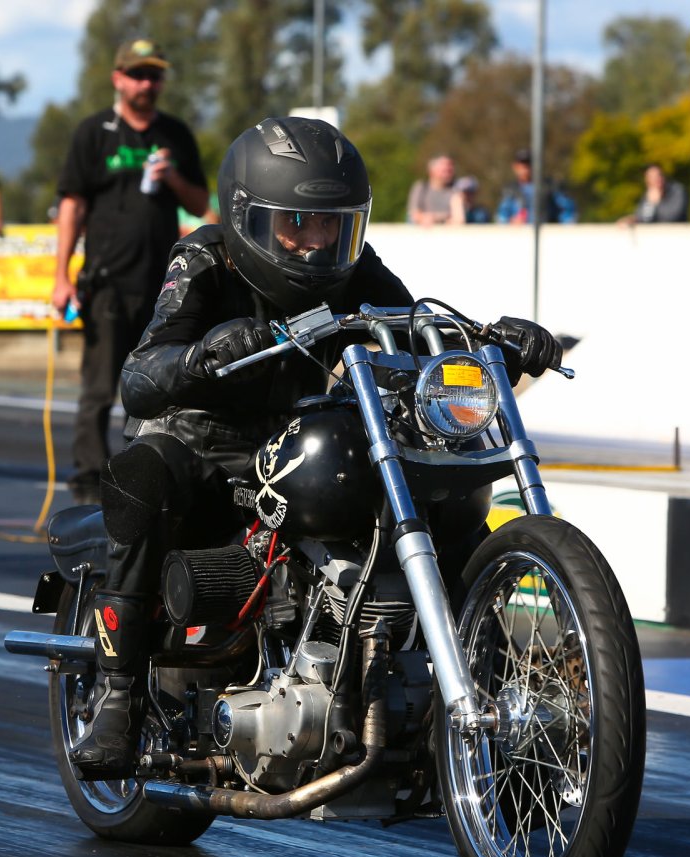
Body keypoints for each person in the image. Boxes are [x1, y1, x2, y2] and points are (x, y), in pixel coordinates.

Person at [67, 116, 563, 778]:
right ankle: (118, 697)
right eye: (296, 225)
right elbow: (140, 372)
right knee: (143, 477)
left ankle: (481, 702)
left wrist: (490, 340)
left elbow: (413, 326)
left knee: (433, 490)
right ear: (248, 217)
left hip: (292, 439)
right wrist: (200, 355)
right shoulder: (203, 258)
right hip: (200, 443)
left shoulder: (351, 268)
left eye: (332, 224)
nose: (316, 243)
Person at [51, 39, 210, 504]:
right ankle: (86, 479)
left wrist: (172, 178)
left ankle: (143, 471)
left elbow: (200, 204)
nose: (147, 84)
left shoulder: (175, 134)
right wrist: (61, 275)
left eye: (154, 75)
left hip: (164, 285)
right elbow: (71, 205)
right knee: (100, 386)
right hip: (106, 280)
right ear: (118, 78)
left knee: (159, 384)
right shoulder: (94, 132)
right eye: (138, 75)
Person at [496, 149, 574, 225]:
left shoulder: (550, 186)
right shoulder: (510, 190)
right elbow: (502, 216)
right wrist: (511, 222)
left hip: (546, 234)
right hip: (518, 235)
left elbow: (568, 212)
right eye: (522, 165)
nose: (525, 169)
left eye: (528, 164)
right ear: (515, 167)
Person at [618, 163, 687, 225]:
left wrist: (657, 204)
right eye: (652, 177)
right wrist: (632, 220)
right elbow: (644, 218)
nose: (657, 179)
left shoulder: (676, 190)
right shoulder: (648, 194)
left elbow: (673, 217)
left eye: (658, 175)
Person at [406, 154, 457, 226]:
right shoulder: (421, 187)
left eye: (450, 166)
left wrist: (434, 218)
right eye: (444, 168)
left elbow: (458, 217)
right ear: (431, 170)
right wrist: (424, 218)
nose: (449, 169)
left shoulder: (455, 190)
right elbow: (414, 214)